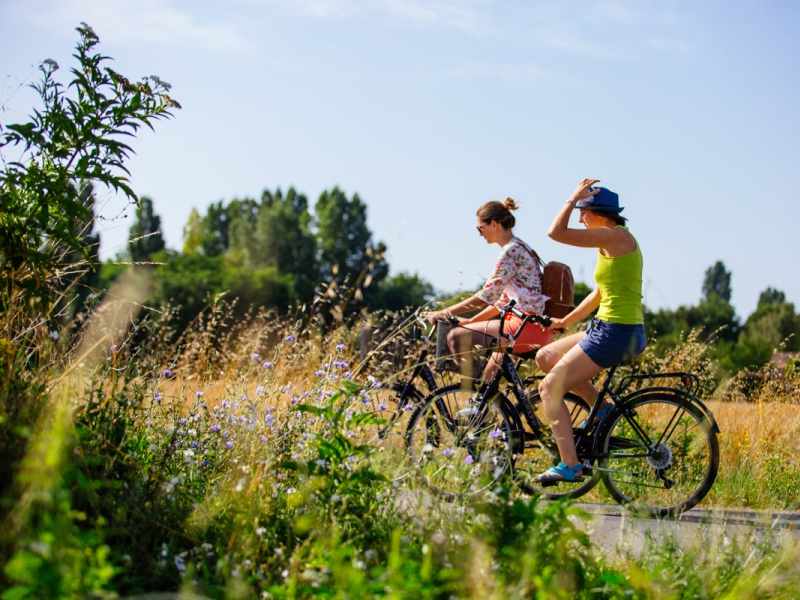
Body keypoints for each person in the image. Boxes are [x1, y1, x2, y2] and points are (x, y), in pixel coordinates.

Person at [533, 178, 647, 484]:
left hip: (617, 332)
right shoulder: (609, 244)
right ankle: (603, 411)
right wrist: (565, 321)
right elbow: (599, 294)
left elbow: (556, 233)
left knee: (549, 389)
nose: (580, 218)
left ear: (597, 213)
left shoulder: (614, 237)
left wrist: (572, 197)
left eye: (583, 212)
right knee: (546, 357)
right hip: (608, 327)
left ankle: (570, 465)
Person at [425, 198, 554, 383]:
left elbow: (484, 297)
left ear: (494, 224)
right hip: (532, 325)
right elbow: (501, 301)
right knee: (487, 379)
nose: (480, 234)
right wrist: (471, 321)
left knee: (455, 336)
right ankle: (487, 394)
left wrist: (445, 312)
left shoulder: (511, 251)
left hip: (524, 326)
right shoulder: (521, 247)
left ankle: (474, 388)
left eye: (480, 228)